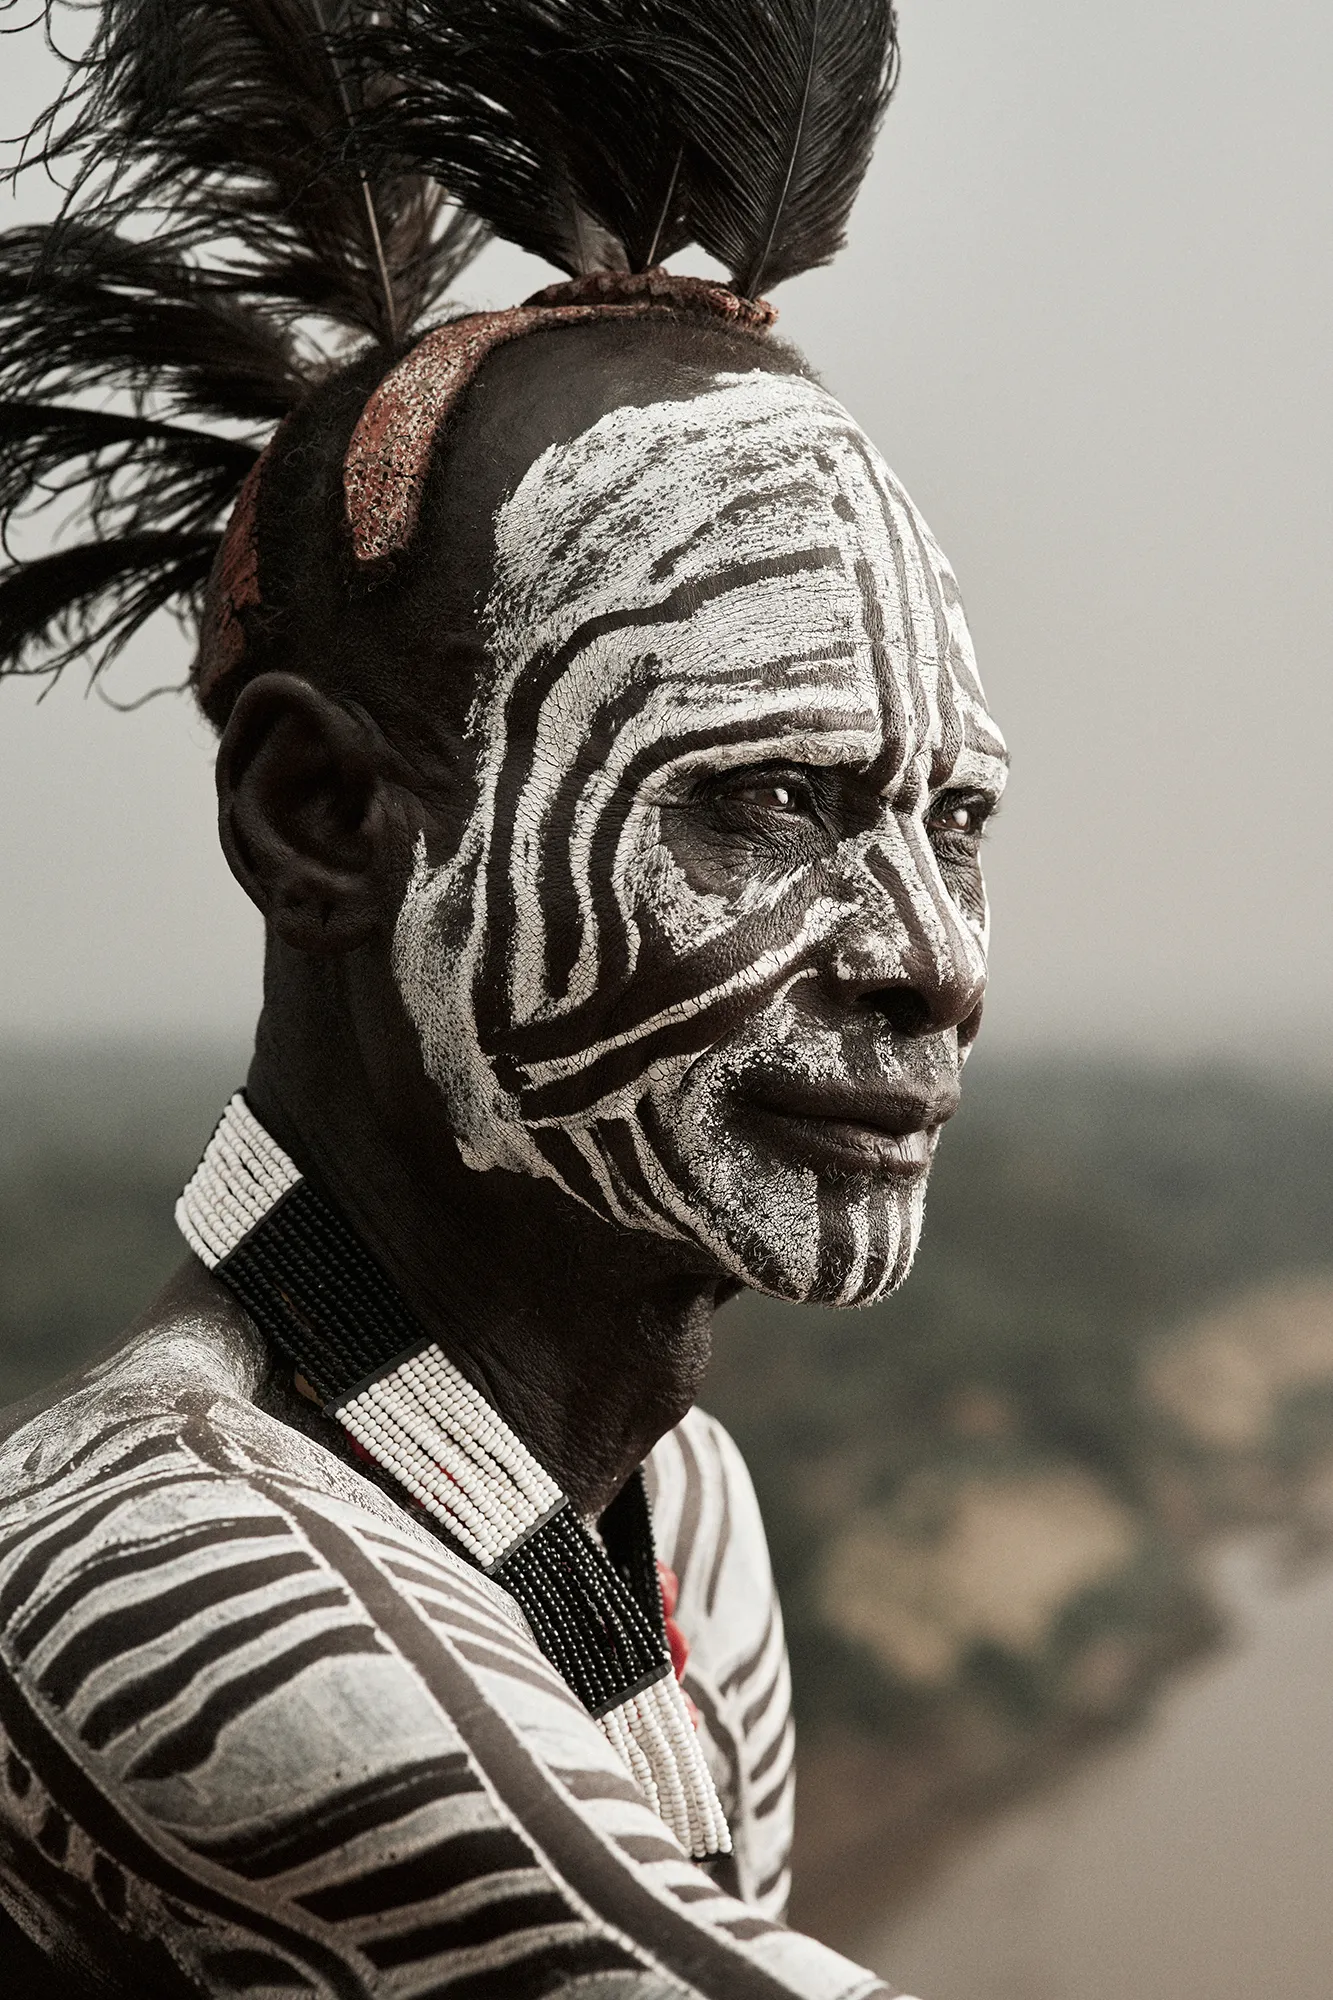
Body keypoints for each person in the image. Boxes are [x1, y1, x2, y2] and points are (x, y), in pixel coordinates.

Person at [0, 1, 1006, 1993]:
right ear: (323, 818)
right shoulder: (160, 1569)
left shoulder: (673, 1509)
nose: (938, 958)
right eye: (767, 798)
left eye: (954, 815)